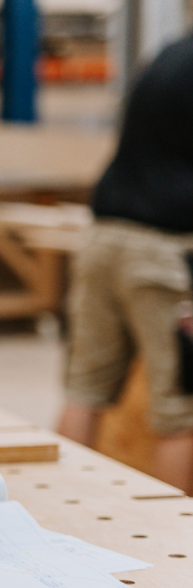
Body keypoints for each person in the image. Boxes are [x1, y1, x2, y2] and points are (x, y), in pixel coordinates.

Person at [57, 32, 193, 494]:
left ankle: (65, 519)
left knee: (85, 392)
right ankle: (176, 542)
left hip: (103, 236)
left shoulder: (171, 53)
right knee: (181, 410)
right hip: (164, 251)